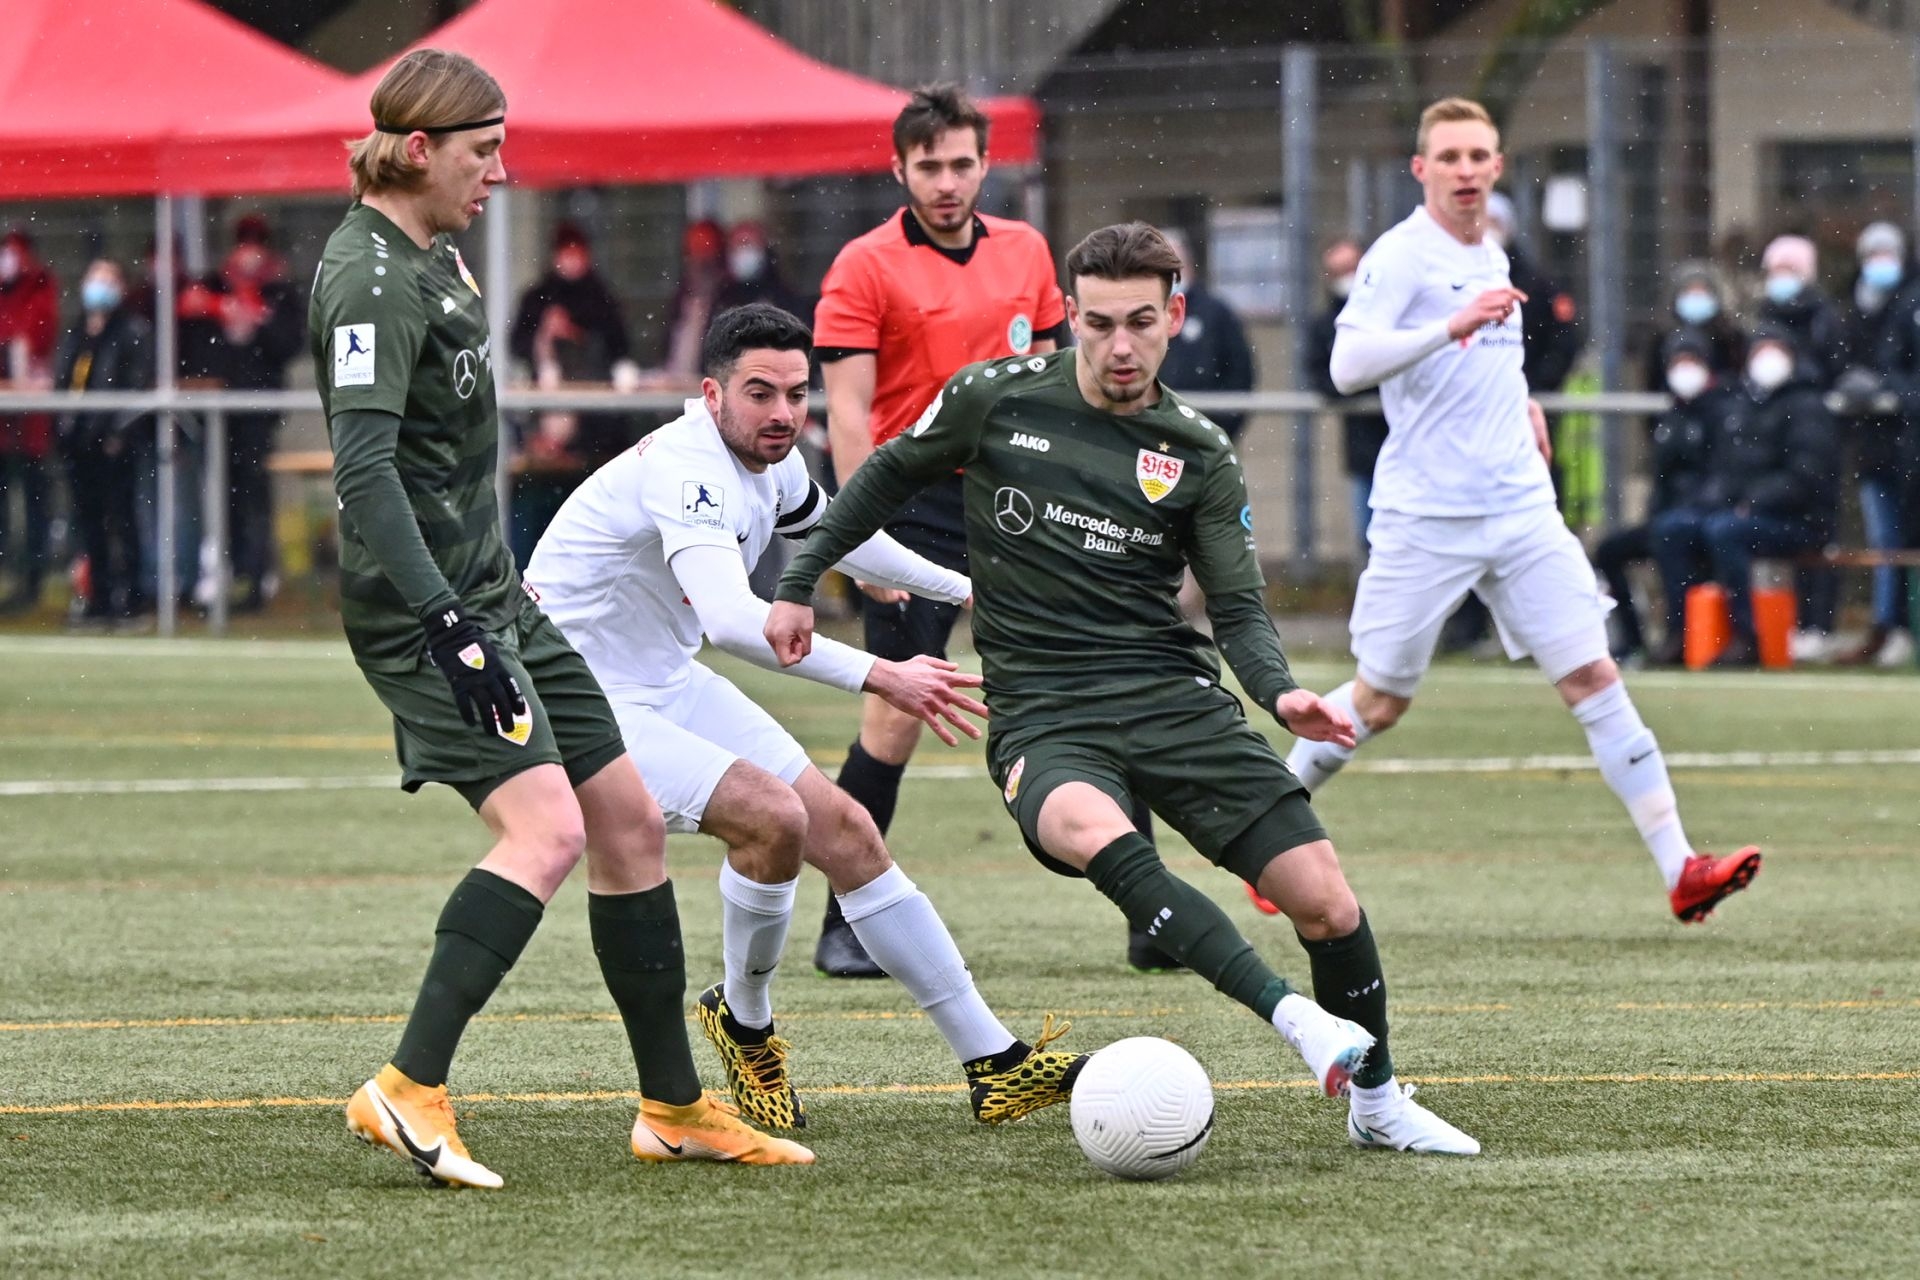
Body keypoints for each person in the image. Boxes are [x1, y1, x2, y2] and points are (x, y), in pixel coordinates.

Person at [769, 221, 1482, 1156]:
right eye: (1099, 323)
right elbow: (880, 481)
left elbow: (1239, 609)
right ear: (1070, 314)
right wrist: (799, 581)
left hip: (1169, 698)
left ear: (1174, 317)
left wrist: (1279, 695)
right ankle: (1297, 1023)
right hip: (1043, 716)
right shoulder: (993, 398)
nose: (1119, 346)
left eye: (1140, 322)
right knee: (1089, 828)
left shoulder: (1197, 451)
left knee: (1327, 904)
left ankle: (1379, 1105)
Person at [310, 50, 810, 1189]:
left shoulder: (434, 256)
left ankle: (673, 1108)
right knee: (547, 833)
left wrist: (484, 598)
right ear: (420, 149)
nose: (500, 172)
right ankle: (407, 1087)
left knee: (628, 820)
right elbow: (366, 474)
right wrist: (445, 623)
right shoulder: (369, 278)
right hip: (428, 614)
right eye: (483, 151)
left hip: (497, 593)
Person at [526, 301, 1085, 1131]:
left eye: (796, 393)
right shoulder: (688, 469)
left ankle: (995, 1064)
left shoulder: (770, 459)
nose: (783, 413)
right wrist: (882, 675)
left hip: (660, 679)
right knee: (772, 817)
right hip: (575, 698)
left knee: (848, 831)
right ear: (712, 394)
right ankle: (746, 1023)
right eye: (760, 393)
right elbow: (731, 621)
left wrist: (969, 589)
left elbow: (842, 535)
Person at [1284, 97, 1761, 925]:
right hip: (1427, 517)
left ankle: (1682, 869)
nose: (1465, 170)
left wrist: (1520, 403)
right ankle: (1269, 838)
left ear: (1498, 167)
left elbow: (1482, 365)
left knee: (1593, 677)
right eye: (1450, 157)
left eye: (1479, 156)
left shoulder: (1495, 253)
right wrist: (1449, 326)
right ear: (1422, 169)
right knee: (1379, 702)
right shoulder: (1401, 255)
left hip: (1519, 509)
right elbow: (1347, 365)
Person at [808, 81, 1090, 978]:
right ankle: (844, 921)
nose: (947, 182)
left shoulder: (1026, 250)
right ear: (900, 170)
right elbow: (849, 416)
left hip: (1016, 503)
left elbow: (1055, 388)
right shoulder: (863, 266)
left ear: (985, 164)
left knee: (1092, 684)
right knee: (894, 717)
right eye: (928, 166)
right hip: (913, 505)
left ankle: (1149, 917)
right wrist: (861, 537)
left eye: (962, 164)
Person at [1649, 327, 1840, 669]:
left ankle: (1746, 635)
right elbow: (1727, 467)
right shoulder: (1743, 405)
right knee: (1673, 529)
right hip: (1744, 511)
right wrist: (1718, 499)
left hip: (1798, 520)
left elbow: (1806, 478)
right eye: (1759, 350)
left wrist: (1753, 501)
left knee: (1725, 532)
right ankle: (1681, 632)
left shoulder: (1807, 406)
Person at [506, 221, 640, 565]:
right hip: (543, 446)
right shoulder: (538, 299)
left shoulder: (601, 301)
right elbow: (519, 347)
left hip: (591, 446)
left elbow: (617, 351)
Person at [1597, 331, 1734, 666]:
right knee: (1609, 551)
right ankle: (1633, 640)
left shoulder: (1724, 412)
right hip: (1668, 519)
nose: (1684, 369)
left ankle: (1679, 635)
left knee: (1672, 534)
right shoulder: (1671, 416)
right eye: (1677, 362)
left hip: (1704, 517)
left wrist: (1694, 509)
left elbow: (1726, 475)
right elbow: (1662, 477)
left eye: (1691, 361)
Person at [1833, 222, 1915, 666]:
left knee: (1903, 540)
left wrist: (1890, 388)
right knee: (1885, 540)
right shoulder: (1852, 310)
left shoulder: (1910, 305)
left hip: (1909, 447)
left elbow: (1904, 374)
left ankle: (1901, 625)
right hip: (1874, 447)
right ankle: (1886, 626)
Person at [213, 214, 305, 612]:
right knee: (226, 493)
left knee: (252, 492)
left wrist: (259, 320)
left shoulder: (280, 292)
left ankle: (256, 574)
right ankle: (231, 571)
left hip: (258, 407)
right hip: (220, 407)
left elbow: (288, 343)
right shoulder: (219, 285)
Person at [55, 259, 151, 627]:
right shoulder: (76, 332)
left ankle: (131, 598)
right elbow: (64, 382)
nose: (98, 287)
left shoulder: (131, 331)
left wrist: (117, 433)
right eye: (94, 278)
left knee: (122, 519)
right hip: (79, 443)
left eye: (107, 279)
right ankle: (98, 596)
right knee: (88, 522)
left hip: (113, 444)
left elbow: (136, 385)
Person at [1306, 237, 1389, 558]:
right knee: (1368, 533)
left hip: (1404, 438)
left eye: (1351, 268)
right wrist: (1357, 386)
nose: (1346, 278)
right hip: (1361, 444)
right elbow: (1320, 375)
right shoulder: (1324, 325)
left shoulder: (1387, 316)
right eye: (1338, 271)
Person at [0, 229, 59, 614]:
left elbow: (35, 334)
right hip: (5, 427)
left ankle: (32, 577)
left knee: (35, 503)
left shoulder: (39, 286)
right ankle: (13, 573)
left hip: (30, 429)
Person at [1158, 227, 1255, 441]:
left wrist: (1221, 427)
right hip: (1153, 434)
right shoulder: (1143, 314)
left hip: (1206, 433)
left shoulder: (1215, 312)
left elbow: (1240, 372)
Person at [714, 221, 808, 320]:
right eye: (738, 246)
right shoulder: (722, 298)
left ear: (763, 249)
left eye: (748, 244)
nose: (744, 252)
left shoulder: (783, 298)